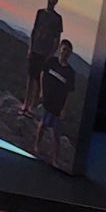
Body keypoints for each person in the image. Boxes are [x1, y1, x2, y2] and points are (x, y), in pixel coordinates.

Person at [21, 0, 63, 118]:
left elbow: (57, 39)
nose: (52, 0)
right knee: (30, 77)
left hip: (45, 53)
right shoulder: (40, 13)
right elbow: (34, 30)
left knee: (38, 80)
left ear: (56, 1)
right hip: (35, 49)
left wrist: (51, 55)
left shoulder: (57, 18)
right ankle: (25, 104)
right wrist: (30, 47)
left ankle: (32, 107)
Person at [35, 39, 76, 169]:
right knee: (42, 125)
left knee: (56, 133)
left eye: (68, 51)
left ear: (70, 54)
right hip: (48, 100)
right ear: (60, 49)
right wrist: (41, 90)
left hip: (58, 105)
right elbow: (42, 73)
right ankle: (36, 146)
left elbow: (69, 92)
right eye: (64, 49)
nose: (65, 53)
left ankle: (55, 160)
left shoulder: (70, 72)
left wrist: (64, 109)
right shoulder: (51, 62)